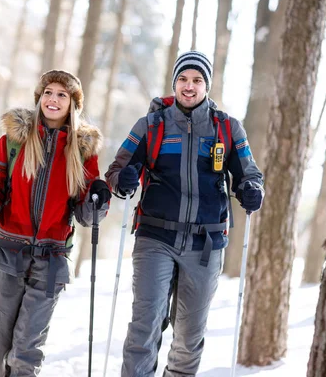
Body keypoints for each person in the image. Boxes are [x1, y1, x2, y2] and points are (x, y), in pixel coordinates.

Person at [105, 50, 264, 377]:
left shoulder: (227, 129)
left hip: (205, 244)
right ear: (174, 82)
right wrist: (123, 180)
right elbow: (116, 173)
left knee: (189, 336)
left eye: (196, 80)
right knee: (144, 325)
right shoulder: (151, 125)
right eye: (183, 79)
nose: (189, 86)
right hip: (155, 238)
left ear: (207, 85)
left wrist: (251, 189)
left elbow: (250, 173)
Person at [0, 69, 111, 376]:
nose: (53, 99)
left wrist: (99, 197)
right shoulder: (13, 141)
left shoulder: (82, 152)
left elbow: (86, 215)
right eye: (48, 93)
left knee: (26, 355)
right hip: (6, 254)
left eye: (61, 94)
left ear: (73, 104)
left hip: (50, 260)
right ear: (39, 98)